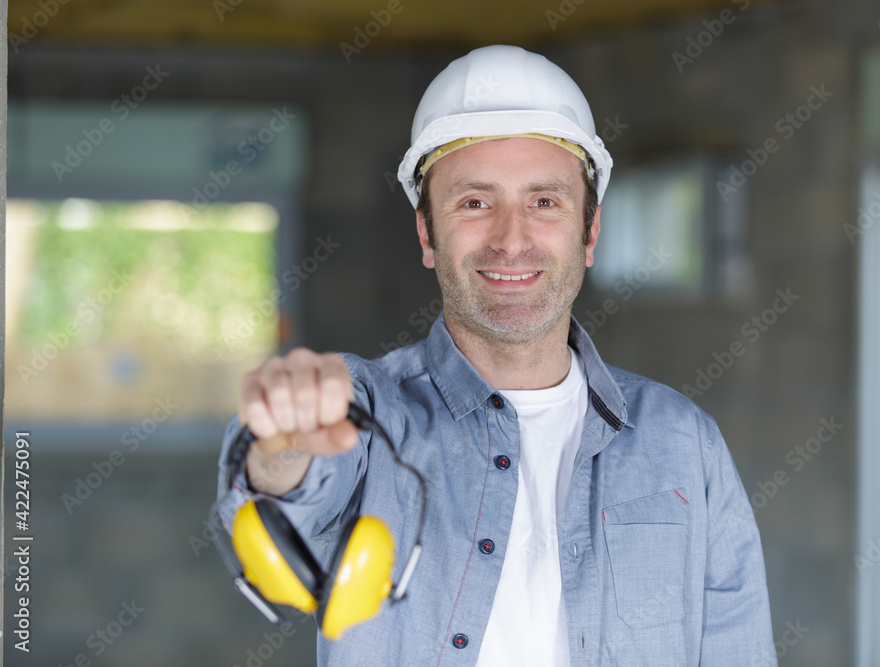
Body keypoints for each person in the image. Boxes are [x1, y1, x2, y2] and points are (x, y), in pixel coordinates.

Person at [215, 44, 776, 666]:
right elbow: (282, 510)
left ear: (589, 232)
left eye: (544, 201)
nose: (512, 239)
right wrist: (282, 442)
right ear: (428, 233)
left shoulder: (683, 443)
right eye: (475, 202)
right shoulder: (365, 415)